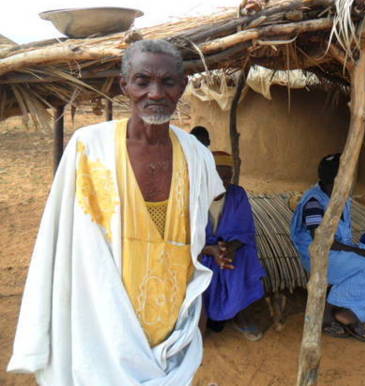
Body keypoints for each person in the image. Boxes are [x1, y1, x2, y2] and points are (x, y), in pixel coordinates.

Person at [7, 40, 224, 385]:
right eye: (142, 81)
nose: (155, 93)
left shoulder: (197, 156)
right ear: (124, 86)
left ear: (182, 87)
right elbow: (63, 240)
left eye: (168, 82)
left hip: (172, 331)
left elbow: (191, 235)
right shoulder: (89, 148)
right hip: (102, 325)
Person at [291, 154, 365, 342]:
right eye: (347, 176)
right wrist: (362, 253)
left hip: (343, 248)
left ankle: (353, 312)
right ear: (334, 180)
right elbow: (321, 241)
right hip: (320, 256)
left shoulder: (340, 195)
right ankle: (329, 312)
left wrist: (362, 252)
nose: (350, 180)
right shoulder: (314, 202)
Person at [200, 151, 266, 341]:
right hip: (201, 251)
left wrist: (230, 248)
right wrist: (210, 250)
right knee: (196, 264)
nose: (224, 183)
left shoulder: (237, 194)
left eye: (228, 177)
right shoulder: (192, 195)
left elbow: (245, 230)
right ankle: (205, 315)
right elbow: (183, 238)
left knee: (244, 258)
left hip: (228, 249)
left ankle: (240, 313)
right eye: (218, 177)